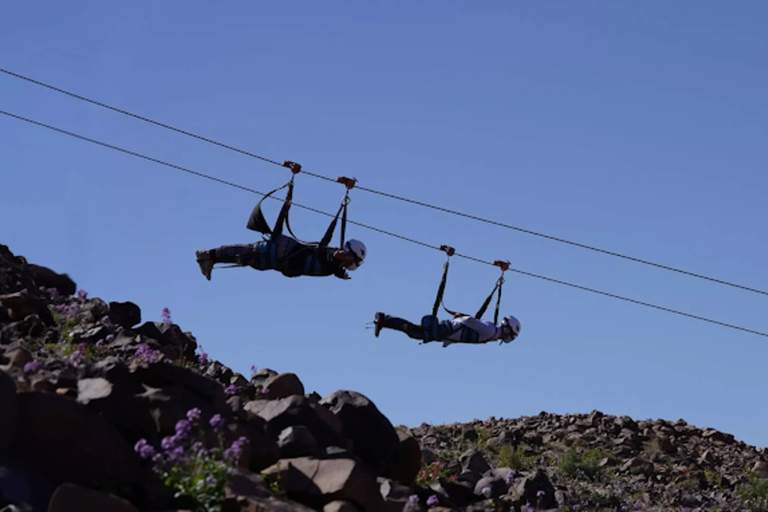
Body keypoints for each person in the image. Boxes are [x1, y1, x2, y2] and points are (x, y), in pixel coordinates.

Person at [195, 235, 366, 280]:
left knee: (246, 259)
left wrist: (340, 273)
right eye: (353, 260)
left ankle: (211, 260)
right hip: (283, 252)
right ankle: (208, 255)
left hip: (280, 262)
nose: (352, 264)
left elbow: (332, 265)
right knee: (250, 252)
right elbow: (329, 255)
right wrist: (337, 256)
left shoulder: (334, 268)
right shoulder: (333, 255)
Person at [373, 310, 520, 347]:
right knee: (414, 332)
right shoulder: (490, 330)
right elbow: (469, 320)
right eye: (511, 335)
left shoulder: (492, 335)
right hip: (447, 330)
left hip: (448, 334)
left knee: (414, 332)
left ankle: (384, 320)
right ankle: (383, 319)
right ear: (507, 329)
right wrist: (456, 319)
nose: (509, 338)